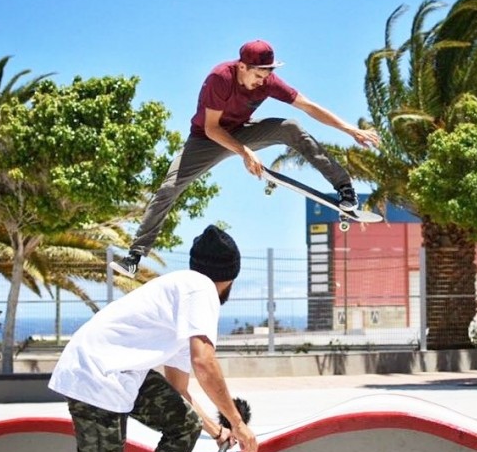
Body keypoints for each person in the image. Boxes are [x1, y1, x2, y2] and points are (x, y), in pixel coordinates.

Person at [110, 39, 380, 277]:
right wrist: (243, 151)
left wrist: (349, 129)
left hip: (243, 132)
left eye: (267, 76)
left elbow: (308, 106)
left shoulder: (269, 80)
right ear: (242, 66)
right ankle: (135, 256)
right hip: (205, 140)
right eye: (258, 76)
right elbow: (212, 128)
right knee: (170, 187)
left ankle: (344, 188)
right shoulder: (220, 79)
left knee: (291, 127)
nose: (262, 82)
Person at [49, 225, 258, 452]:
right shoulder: (202, 288)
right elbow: (204, 363)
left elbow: (179, 391)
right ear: (230, 277)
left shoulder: (184, 300)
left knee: (186, 424)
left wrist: (219, 432)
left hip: (118, 372)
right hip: (96, 373)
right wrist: (238, 423)